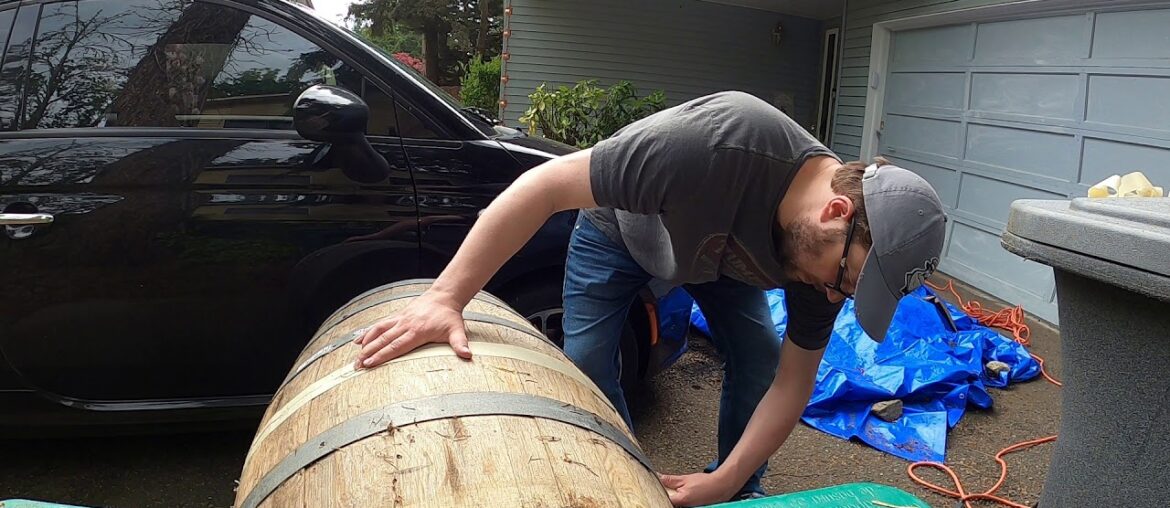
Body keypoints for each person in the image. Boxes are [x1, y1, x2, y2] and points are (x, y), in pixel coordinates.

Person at [352, 91, 947, 506]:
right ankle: (622, 486)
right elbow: (542, 186)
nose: (834, 296)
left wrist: (725, 479)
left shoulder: (826, 259)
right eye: (845, 280)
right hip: (619, 234)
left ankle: (738, 493)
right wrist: (448, 297)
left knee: (762, 359)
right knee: (586, 360)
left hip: (723, 262)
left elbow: (792, 384)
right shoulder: (711, 146)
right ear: (836, 212)